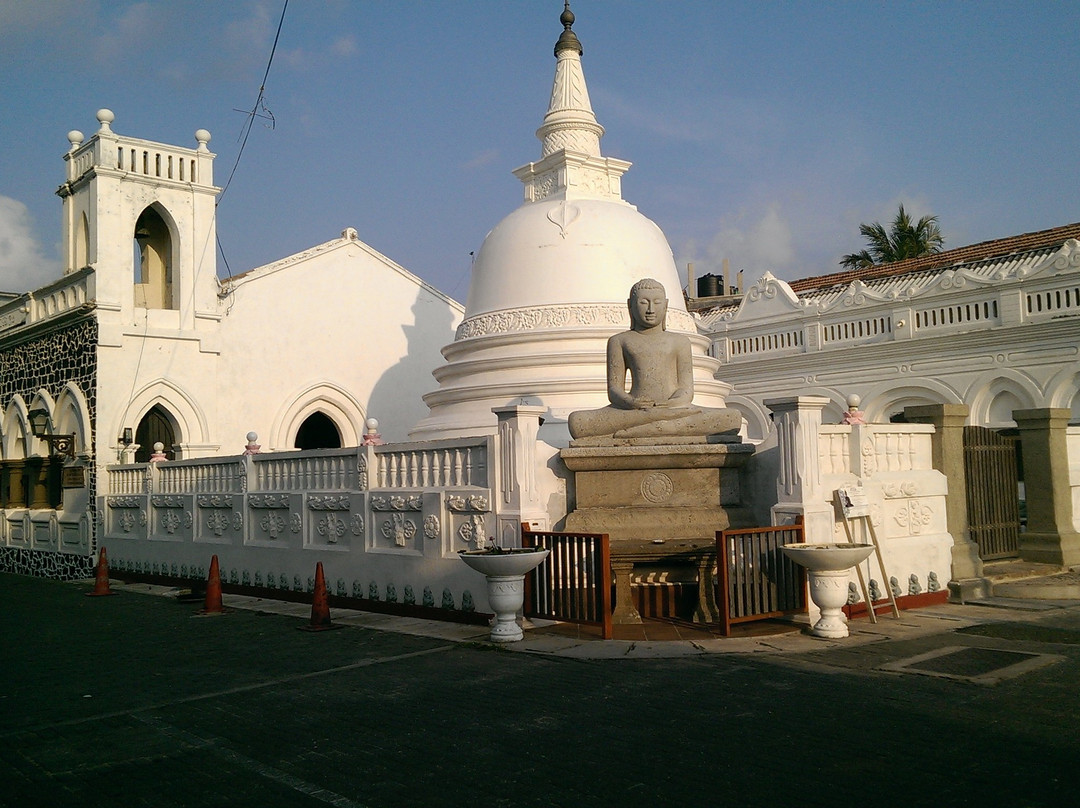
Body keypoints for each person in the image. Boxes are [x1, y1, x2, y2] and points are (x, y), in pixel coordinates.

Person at [568, 278, 740, 440]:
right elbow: (614, 390)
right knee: (578, 422)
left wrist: (671, 405)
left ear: (666, 306)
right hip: (634, 412)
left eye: (657, 303)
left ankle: (641, 430)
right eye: (643, 302)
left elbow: (686, 390)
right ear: (630, 305)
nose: (650, 309)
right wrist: (633, 403)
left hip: (675, 409)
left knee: (731, 418)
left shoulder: (680, 342)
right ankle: (660, 426)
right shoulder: (619, 341)